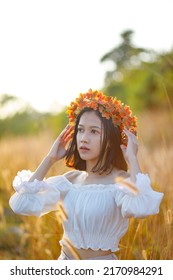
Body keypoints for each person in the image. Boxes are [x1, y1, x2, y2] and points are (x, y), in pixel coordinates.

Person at [9, 89, 164, 260]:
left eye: (94, 131)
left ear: (111, 141)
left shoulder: (123, 182)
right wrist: (50, 159)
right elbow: (22, 204)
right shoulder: (70, 181)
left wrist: (132, 159)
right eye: (81, 130)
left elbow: (140, 208)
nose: (83, 138)